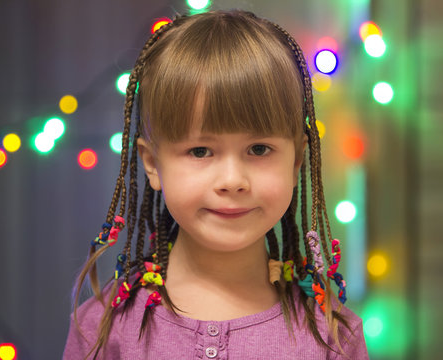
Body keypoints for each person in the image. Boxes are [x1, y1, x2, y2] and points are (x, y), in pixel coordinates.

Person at [63, 9, 369, 360]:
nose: (232, 181)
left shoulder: (334, 336)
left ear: (297, 158)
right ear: (152, 163)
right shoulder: (103, 327)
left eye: (259, 149)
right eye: (200, 151)